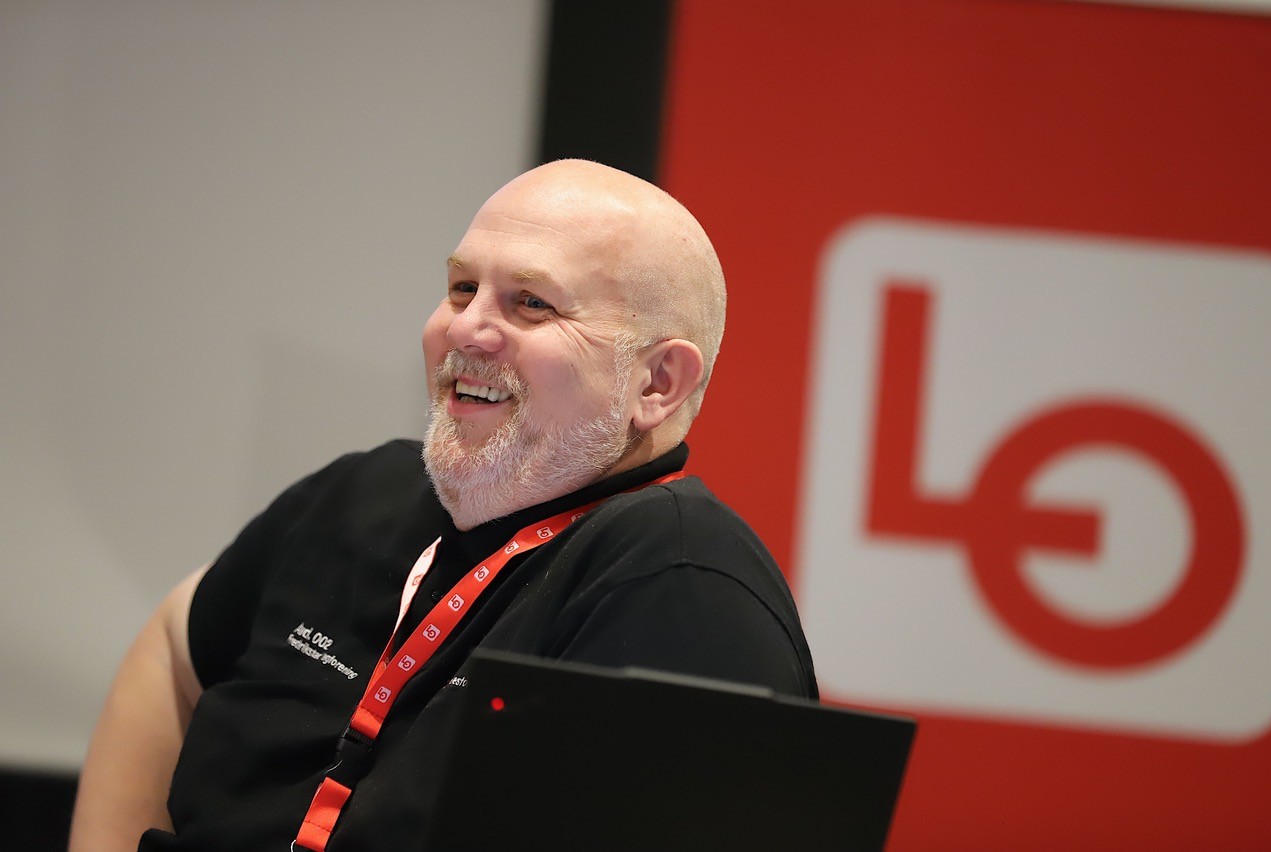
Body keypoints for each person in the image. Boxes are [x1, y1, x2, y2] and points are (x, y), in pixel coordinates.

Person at [69, 159, 818, 851]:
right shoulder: (363, 492)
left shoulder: (680, 584)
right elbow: (174, 648)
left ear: (657, 383)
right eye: (462, 288)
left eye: (531, 303)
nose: (463, 329)